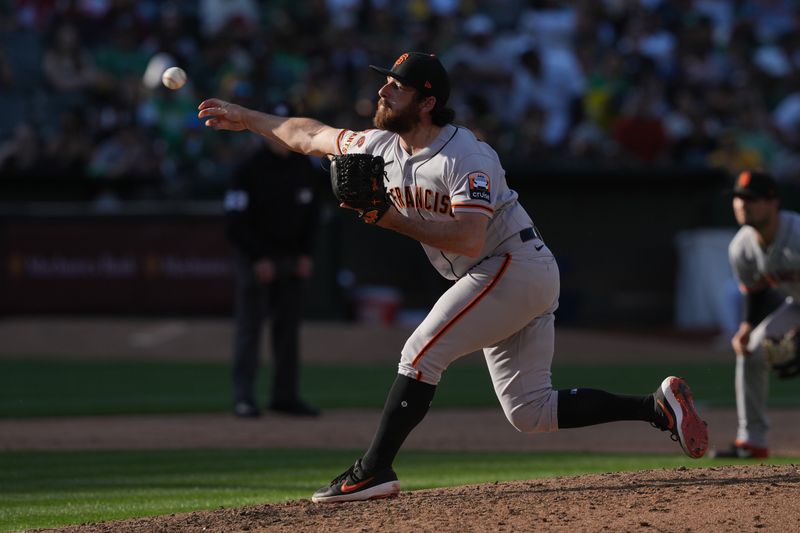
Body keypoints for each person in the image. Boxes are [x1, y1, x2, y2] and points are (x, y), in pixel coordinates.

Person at [198, 51, 708, 503]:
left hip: (511, 263)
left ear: (426, 101)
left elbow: (467, 238)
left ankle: (371, 471)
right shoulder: (377, 146)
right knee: (530, 412)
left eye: (395, 85)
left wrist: (386, 217)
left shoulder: (467, 155)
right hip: (504, 273)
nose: (382, 89)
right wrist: (247, 119)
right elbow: (307, 134)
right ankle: (657, 408)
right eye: (385, 81)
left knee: (421, 353)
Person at [224, 103, 321, 418]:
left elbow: (312, 217)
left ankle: (285, 395)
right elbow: (235, 222)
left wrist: (306, 254)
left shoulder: (303, 168)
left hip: (291, 258)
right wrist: (257, 258)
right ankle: (244, 397)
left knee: (288, 330)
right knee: (250, 328)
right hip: (257, 259)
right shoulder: (248, 169)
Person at [714, 170, 799, 458]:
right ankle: (752, 441)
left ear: (773, 201)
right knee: (749, 350)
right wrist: (747, 325)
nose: (742, 204)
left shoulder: (797, 234)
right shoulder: (741, 247)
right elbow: (756, 289)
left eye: (750, 198)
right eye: (737, 198)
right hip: (797, 304)